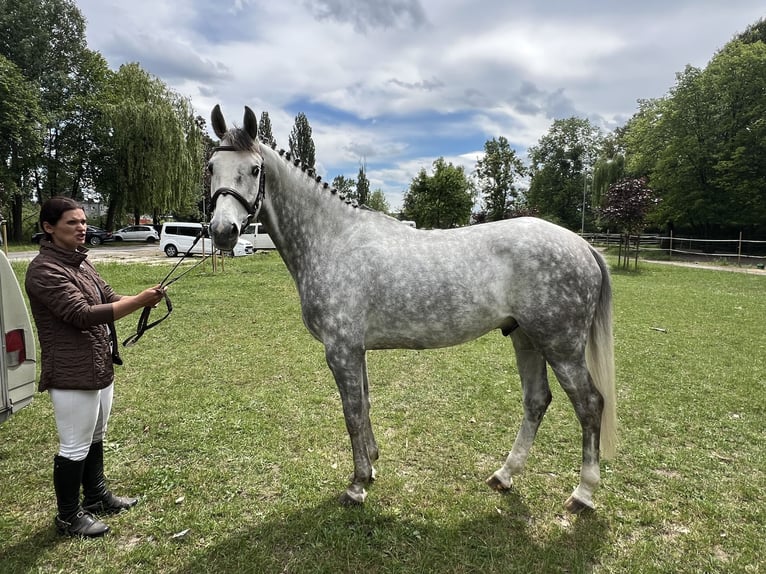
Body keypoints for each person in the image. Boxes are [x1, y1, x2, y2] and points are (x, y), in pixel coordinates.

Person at [25, 197, 166, 538]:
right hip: (71, 373)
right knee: (74, 445)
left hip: (98, 362)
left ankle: (97, 495)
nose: (81, 227)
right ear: (49, 227)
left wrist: (142, 297)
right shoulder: (44, 270)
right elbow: (82, 315)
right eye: (72, 222)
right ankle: (68, 516)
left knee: (96, 435)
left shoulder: (81, 262)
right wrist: (138, 303)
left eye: (83, 221)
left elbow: (109, 297)